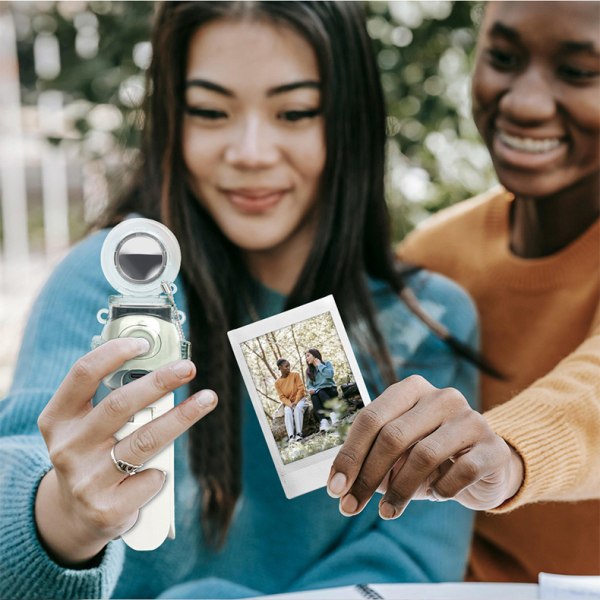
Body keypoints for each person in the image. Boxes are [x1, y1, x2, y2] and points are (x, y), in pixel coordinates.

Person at [0, 2, 481, 599]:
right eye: (209, 111)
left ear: (352, 119)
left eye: (295, 111)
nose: (250, 151)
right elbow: (17, 467)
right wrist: (61, 518)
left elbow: (406, 562)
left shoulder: (429, 320)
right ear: (172, 118)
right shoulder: (115, 281)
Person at [327, 0, 599, 584]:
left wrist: (509, 450)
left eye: (580, 72)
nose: (524, 102)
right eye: (502, 58)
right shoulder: (436, 255)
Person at [305, 349, 338, 432]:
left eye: (308, 356)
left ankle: (334, 416)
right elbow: (309, 386)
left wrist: (319, 365)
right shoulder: (308, 371)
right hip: (318, 392)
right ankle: (323, 422)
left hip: (330, 390)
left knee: (321, 392)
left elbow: (329, 375)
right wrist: (311, 390)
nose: (306, 358)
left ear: (315, 355)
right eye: (306, 357)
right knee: (314, 397)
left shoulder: (326, 364)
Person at [274, 358, 306, 442]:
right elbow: (282, 397)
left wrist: (295, 402)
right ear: (280, 367)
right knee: (287, 412)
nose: (288, 368)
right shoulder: (277, 383)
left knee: (298, 409)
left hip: (300, 400)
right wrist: (290, 404)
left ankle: (299, 434)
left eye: (289, 366)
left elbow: (301, 389)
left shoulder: (295, 375)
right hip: (289, 403)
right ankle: (291, 436)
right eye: (286, 366)